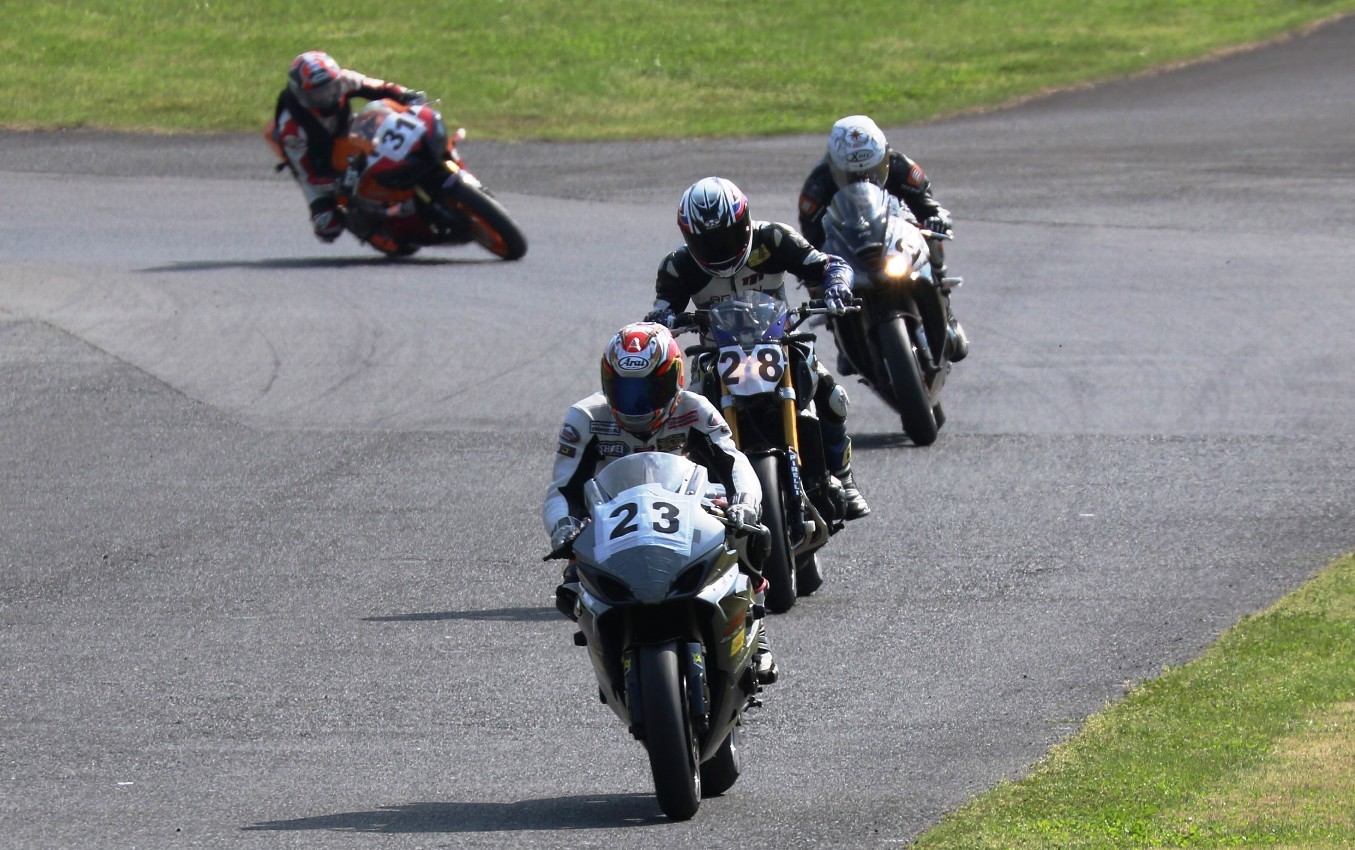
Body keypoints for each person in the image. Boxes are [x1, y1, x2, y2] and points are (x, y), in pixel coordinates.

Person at [544, 322, 777, 682]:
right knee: (571, 587)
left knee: (749, 538)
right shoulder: (586, 417)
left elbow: (734, 464)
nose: (636, 402)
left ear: (675, 380)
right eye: (624, 390)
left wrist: (744, 503)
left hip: (686, 504)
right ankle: (606, 649)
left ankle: (757, 635)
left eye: (650, 389)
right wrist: (563, 527)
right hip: (613, 516)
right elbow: (563, 488)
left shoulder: (695, 408)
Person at [644, 176, 871, 520]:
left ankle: (843, 476)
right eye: (707, 242)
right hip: (715, 356)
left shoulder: (773, 239)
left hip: (779, 342)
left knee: (831, 396)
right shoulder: (679, 266)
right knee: (686, 420)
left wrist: (837, 285)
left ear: (745, 221)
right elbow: (662, 310)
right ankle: (697, 497)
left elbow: (830, 265)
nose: (719, 249)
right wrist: (663, 319)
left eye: (727, 236)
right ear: (689, 237)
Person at [798, 115, 969, 364]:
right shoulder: (817, 187)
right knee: (818, 277)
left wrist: (936, 218)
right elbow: (810, 237)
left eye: (872, 171)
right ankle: (841, 334)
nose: (865, 179)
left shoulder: (902, 167)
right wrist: (809, 265)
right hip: (849, 244)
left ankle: (945, 306)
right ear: (835, 167)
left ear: (884, 159)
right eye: (852, 175)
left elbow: (927, 205)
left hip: (895, 234)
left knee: (930, 232)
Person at [269, 51, 424, 243]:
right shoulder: (291, 127)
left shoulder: (343, 79)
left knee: (387, 126)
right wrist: (336, 181)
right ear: (302, 95)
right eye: (318, 95)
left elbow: (380, 87)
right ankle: (364, 221)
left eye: (331, 89)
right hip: (318, 161)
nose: (327, 98)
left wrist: (407, 95)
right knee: (328, 226)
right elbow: (309, 174)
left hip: (348, 132)